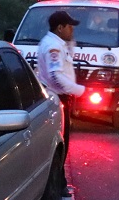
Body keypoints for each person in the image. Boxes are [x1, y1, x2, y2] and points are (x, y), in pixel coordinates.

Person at [36, 10, 87, 156]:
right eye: (69, 27)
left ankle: (60, 177)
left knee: (62, 141)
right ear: (60, 28)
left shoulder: (57, 43)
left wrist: (70, 41)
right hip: (58, 98)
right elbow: (55, 76)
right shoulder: (54, 47)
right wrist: (79, 90)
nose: (72, 30)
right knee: (61, 143)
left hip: (58, 97)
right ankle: (58, 177)